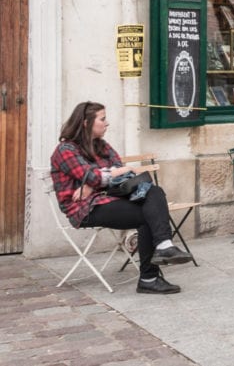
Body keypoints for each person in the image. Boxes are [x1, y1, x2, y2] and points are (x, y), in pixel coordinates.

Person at [50, 102, 192, 295]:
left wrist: (95, 182)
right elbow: (103, 174)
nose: (107, 123)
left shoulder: (101, 145)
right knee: (147, 215)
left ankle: (163, 248)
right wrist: (101, 178)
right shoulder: (65, 150)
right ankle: (150, 276)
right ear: (85, 123)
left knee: (155, 192)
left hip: (110, 197)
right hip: (85, 209)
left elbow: (118, 174)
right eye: (102, 119)